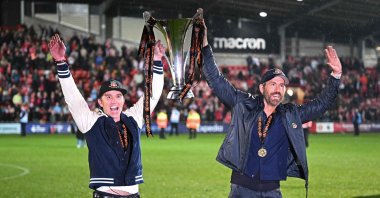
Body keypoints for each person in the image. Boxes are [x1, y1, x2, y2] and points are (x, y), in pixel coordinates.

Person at [199, 21, 342, 197]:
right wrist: (204, 44)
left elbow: (322, 104)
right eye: (273, 84)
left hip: (272, 192)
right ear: (262, 88)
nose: (278, 89)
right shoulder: (242, 104)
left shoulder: (290, 114)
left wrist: (336, 76)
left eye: (282, 85)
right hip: (241, 189)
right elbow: (215, 79)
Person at [48, 34, 165, 198]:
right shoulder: (91, 122)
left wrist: (158, 61)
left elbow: (153, 95)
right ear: (100, 102)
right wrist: (61, 62)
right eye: (108, 97)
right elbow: (73, 98)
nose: (113, 101)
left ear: (123, 100)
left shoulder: (134, 119)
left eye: (118, 96)